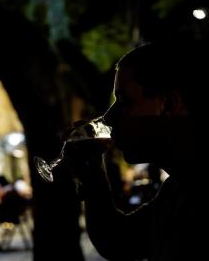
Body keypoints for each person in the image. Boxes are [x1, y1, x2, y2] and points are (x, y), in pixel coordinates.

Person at [69, 38, 209, 261]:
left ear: (170, 104)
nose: (109, 117)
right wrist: (93, 177)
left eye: (124, 101)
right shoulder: (177, 188)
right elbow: (120, 241)